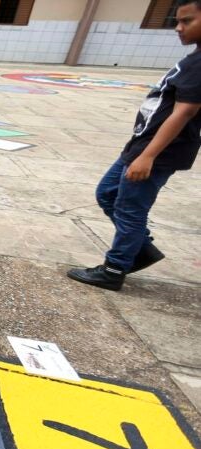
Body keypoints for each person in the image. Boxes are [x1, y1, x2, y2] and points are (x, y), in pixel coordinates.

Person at [68, 0, 201, 290]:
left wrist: (148, 155)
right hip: (141, 145)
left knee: (130, 208)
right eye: (176, 21)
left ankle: (114, 269)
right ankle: (140, 249)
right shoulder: (194, 59)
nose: (178, 28)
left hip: (156, 152)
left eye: (187, 21)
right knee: (107, 193)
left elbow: (185, 111)